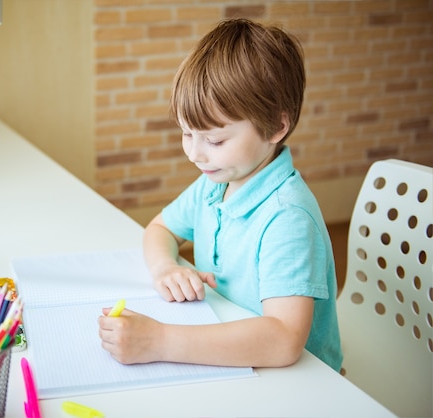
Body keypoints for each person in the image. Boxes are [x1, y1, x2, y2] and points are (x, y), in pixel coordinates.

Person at [98, 18, 343, 372]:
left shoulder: (287, 217)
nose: (195, 154)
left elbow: (283, 339)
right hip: (230, 346)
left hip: (302, 381)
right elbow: (160, 229)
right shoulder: (215, 184)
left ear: (276, 126)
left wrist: (158, 340)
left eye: (214, 140)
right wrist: (166, 267)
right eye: (186, 133)